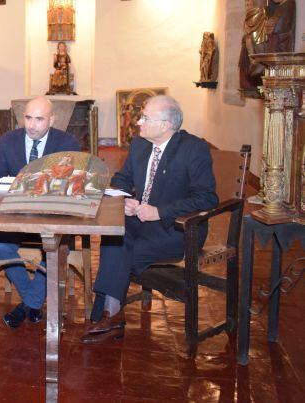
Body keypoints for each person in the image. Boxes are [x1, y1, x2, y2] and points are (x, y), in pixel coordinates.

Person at [81, 95, 218, 343]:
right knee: (114, 237)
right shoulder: (140, 145)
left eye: (145, 118)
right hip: (141, 221)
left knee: (121, 253)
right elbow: (122, 179)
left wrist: (159, 211)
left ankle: (108, 316)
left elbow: (207, 198)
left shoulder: (193, 148)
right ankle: (111, 316)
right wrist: (125, 199)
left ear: (165, 125)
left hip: (177, 229)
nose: (138, 122)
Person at [0, 96, 81, 328]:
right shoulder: (9, 140)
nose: (32, 125)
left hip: (53, 217)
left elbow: (73, 186)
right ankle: (33, 303)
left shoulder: (67, 143)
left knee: (56, 248)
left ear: (52, 119)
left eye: (39, 119)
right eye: (28, 118)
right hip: (15, 216)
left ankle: (27, 304)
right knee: (1, 245)